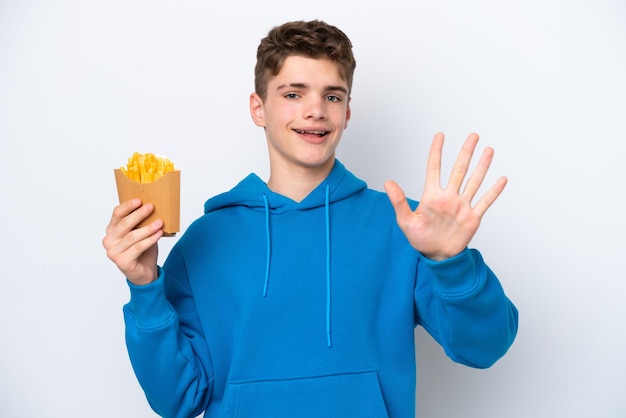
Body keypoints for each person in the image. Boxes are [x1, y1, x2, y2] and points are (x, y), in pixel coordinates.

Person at [103, 19, 518, 418]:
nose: (315, 110)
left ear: (347, 112)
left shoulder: (405, 226)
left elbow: (485, 347)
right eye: (293, 94)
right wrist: (144, 287)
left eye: (332, 96)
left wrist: (451, 263)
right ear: (258, 108)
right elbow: (176, 399)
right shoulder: (206, 240)